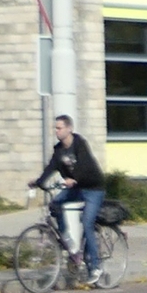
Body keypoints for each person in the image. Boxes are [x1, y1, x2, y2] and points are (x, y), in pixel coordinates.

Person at [30, 115, 105, 274]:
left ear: (69, 128)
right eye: (55, 128)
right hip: (76, 188)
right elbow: (51, 167)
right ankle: (67, 239)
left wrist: (74, 179)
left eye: (59, 128)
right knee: (55, 204)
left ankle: (96, 267)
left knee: (87, 223)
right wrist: (39, 182)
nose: (56, 131)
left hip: (93, 189)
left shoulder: (80, 144)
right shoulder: (58, 150)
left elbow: (85, 166)